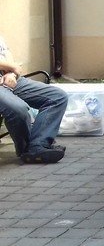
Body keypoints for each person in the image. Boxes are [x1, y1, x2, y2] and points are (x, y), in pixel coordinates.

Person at [0, 35, 68, 164]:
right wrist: (12, 67)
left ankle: (38, 144)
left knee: (57, 97)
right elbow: (12, 64)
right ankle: (28, 151)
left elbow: (5, 52)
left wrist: (11, 73)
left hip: (9, 78)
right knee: (18, 109)